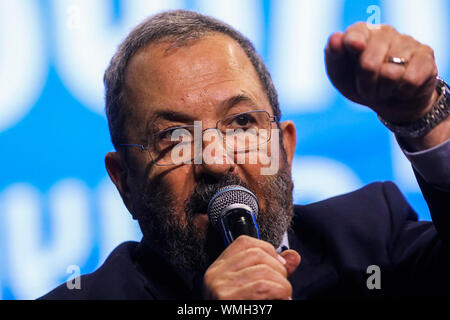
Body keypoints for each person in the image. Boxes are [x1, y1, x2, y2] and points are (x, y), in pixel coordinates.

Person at [41, 10, 449, 300]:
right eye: (175, 137)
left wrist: (424, 117)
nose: (216, 161)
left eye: (240, 125)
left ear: (285, 150)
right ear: (124, 181)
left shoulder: (374, 238)